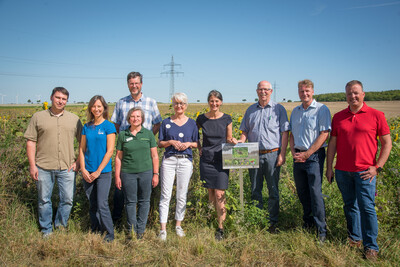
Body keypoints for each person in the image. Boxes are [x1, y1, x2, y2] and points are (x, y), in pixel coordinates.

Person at [326, 80, 392, 261]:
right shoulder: (338, 117)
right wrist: (329, 167)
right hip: (342, 171)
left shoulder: (376, 115)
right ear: (345, 96)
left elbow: (387, 143)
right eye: (349, 94)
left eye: (356, 93)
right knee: (349, 206)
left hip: (365, 172)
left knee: (367, 208)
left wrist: (377, 167)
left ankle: (371, 247)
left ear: (363, 94)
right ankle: (354, 239)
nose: (352, 96)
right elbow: (333, 144)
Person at [24, 87, 82, 237]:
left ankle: (61, 226)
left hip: (67, 166)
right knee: (44, 200)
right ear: (51, 97)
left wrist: (78, 162)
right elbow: (31, 142)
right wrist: (32, 166)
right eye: (58, 98)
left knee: (68, 199)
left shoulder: (74, 119)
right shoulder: (38, 117)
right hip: (43, 166)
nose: (60, 101)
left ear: (67, 101)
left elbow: (83, 142)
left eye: (63, 99)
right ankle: (46, 229)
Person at [111, 71, 162, 226]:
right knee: (121, 192)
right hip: (126, 152)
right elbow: (116, 124)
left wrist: (146, 139)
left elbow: (158, 123)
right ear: (128, 84)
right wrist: (127, 139)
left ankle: (142, 224)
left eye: (137, 83)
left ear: (141, 84)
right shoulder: (121, 103)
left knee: (144, 192)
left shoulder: (151, 102)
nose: (134, 86)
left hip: (145, 153)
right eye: (131, 83)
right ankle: (119, 221)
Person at [239, 80, 289, 233]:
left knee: (273, 189)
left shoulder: (278, 109)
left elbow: (285, 132)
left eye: (266, 89)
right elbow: (245, 131)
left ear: (271, 91)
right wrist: (241, 142)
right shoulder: (250, 110)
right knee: (255, 188)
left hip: (272, 153)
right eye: (261, 89)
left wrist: (282, 154)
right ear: (256, 91)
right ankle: (257, 220)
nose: (263, 92)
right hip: (252, 153)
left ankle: (273, 223)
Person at [289, 79, 331, 243]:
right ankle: (308, 222)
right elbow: (292, 134)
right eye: (301, 91)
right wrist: (293, 152)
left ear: (312, 92)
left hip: (314, 156)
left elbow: (324, 134)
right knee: (302, 191)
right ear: (298, 92)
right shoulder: (296, 111)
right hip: (298, 156)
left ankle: (322, 229)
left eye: (307, 91)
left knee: (315, 193)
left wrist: (307, 154)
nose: (304, 94)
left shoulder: (321, 109)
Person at [196, 90, 238, 241]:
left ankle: (221, 228)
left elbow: (228, 138)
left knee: (220, 193)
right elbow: (195, 136)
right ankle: (210, 217)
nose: (214, 104)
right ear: (208, 102)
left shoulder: (227, 118)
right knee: (211, 193)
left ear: (221, 102)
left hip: (221, 160)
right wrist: (199, 148)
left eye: (217, 101)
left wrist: (233, 141)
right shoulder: (201, 119)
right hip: (206, 160)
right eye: (212, 101)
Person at [158, 93, 199, 241]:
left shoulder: (192, 123)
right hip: (169, 160)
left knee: (182, 194)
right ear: (173, 105)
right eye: (176, 103)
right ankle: (163, 229)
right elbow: (160, 143)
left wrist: (188, 144)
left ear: (186, 105)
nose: (179, 106)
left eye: (181, 103)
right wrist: (170, 142)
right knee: (165, 194)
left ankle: (178, 225)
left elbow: (197, 143)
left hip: (185, 161)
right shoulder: (166, 122)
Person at [115, 107, 159, 239]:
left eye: (138, 116)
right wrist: (117, 176)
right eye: (133, 116)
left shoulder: (148, 134)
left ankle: (141, 230)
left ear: (142, 119)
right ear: (129, 119)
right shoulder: (123, 135)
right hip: (128, 173)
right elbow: (118, 157)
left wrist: (155, 174)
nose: (135, 119)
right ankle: (131, 229)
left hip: (146, 172)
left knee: (144, 201)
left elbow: (155, 156)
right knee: (130, 202)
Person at [79, 95, 116, 242]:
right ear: (90, 108)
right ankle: (95, 230)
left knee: (102, 203)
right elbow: (81, 149)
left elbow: (110, 151)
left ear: (104, 108)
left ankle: (109, 234)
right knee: (92, 203)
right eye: (94, 106)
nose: (96, 109)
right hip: (87, 171)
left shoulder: (109, 126)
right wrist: (83, 168)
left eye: (99, 106)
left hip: (103, 172)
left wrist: (98, 171)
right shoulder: (86, 127)